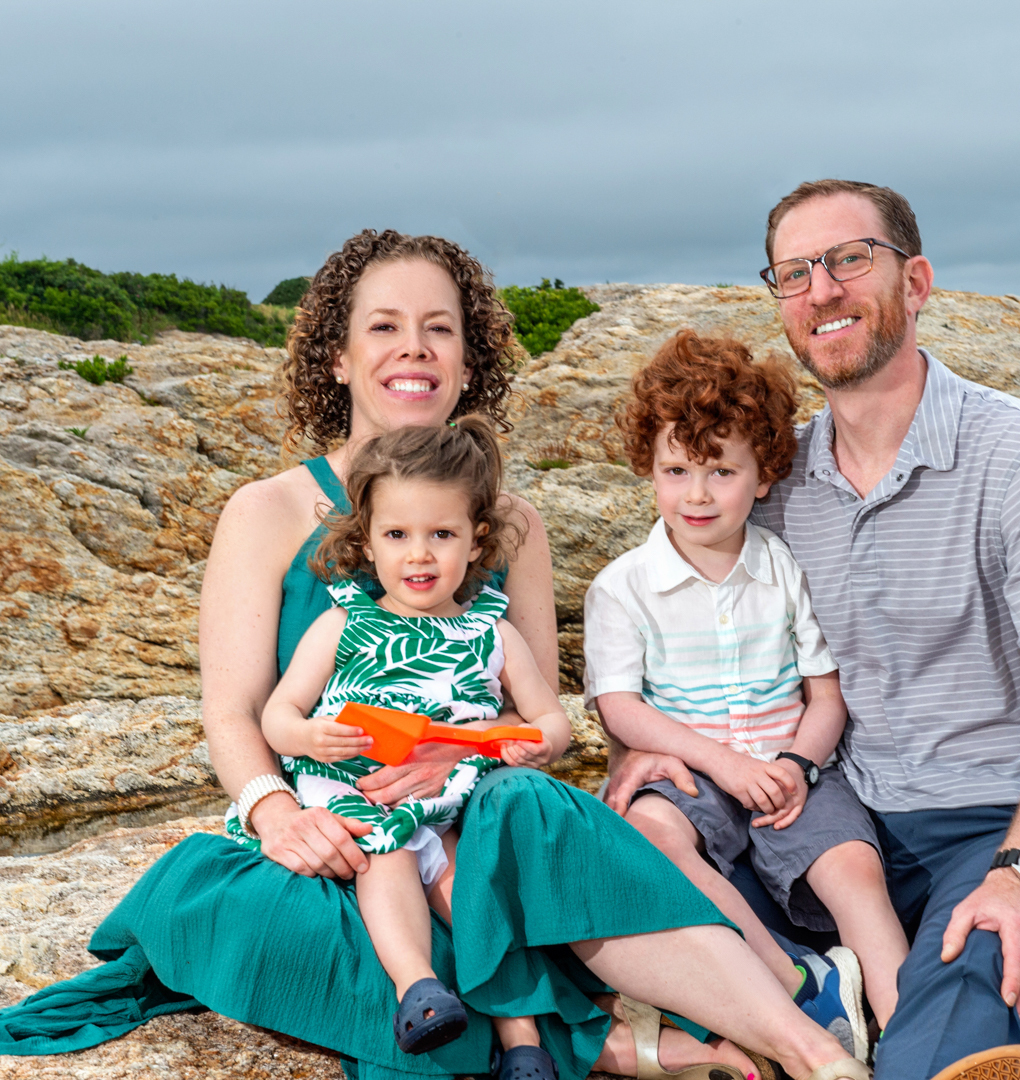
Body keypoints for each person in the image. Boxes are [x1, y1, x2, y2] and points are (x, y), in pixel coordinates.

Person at [194, 230, 867, 1080]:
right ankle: (617, 1043)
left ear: (469, 361)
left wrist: (463, 754)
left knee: (532, 822)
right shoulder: (266, 511)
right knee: (277, 928)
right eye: (384, 327)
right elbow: (234, 712)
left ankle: (808, 1052)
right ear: (336, 357)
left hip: (473, 811)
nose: (414, 348)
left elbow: (533, 713)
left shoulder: (513, 525)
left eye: (440, 329)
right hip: (335, 822)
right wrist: (278, 818)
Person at [606, 183, 1020, 1080]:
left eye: (849, 259)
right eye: (793, 273)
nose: (821, 290)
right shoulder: (768, 485)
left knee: (969, 964)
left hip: (999, 823)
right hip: (831, 820)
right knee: (619, 889)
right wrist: (646, 750)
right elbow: (698, 635)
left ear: (914, 281)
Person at [585, 330, 909, 1063]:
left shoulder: (783, 568)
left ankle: (912, 1031)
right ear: (649, 469)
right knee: (649, 836)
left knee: (854, 869)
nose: (696, 494)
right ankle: (795, 980)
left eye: (721, 471)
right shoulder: (623, 586)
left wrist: (797, 764)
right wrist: (720, 764)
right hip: (687, 772)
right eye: (675, 470)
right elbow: (620, 708)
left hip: (789, 765)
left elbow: (825, 697)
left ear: (762, 476)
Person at [251, 418, 571, 1064]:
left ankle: (523, 1043)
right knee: (387, 852)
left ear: (477, 542)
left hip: (450, 799)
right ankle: (417, 989)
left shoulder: (493, 633)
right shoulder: (344, 623)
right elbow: (277, 714)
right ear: (367, 543)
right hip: (360, 791)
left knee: (474, 893)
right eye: (397, 535)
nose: (419, 555)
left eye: (441, 535)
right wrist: (309, 735)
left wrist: (530, 743)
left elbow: (552, 721)